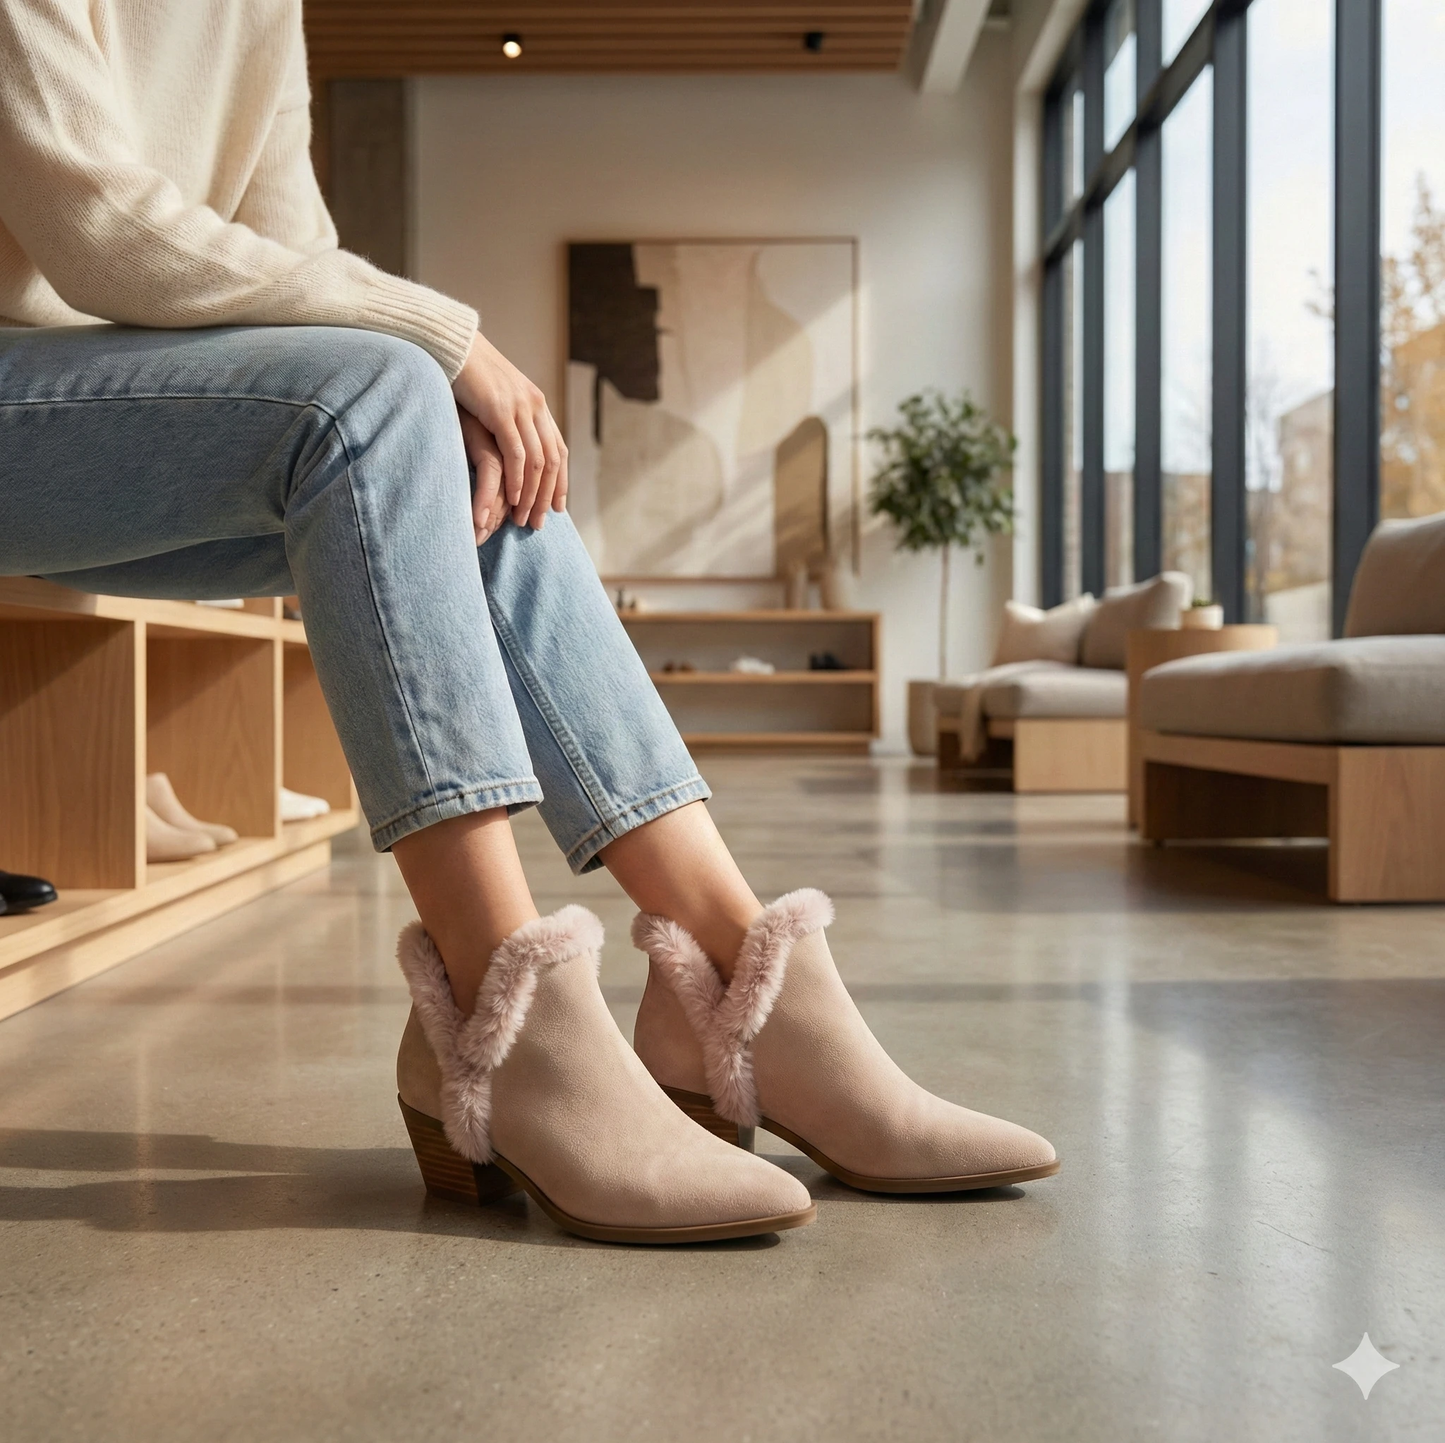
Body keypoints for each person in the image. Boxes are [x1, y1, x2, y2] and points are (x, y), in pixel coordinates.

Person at [0, 0, 1057, 1244]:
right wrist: (449, 335)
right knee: (385, 391)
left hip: (122, 418)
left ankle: (733, 980)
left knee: (456, 446)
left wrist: (443, 369)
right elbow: (100, 234)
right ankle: (501, 1006)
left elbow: (287, 252)